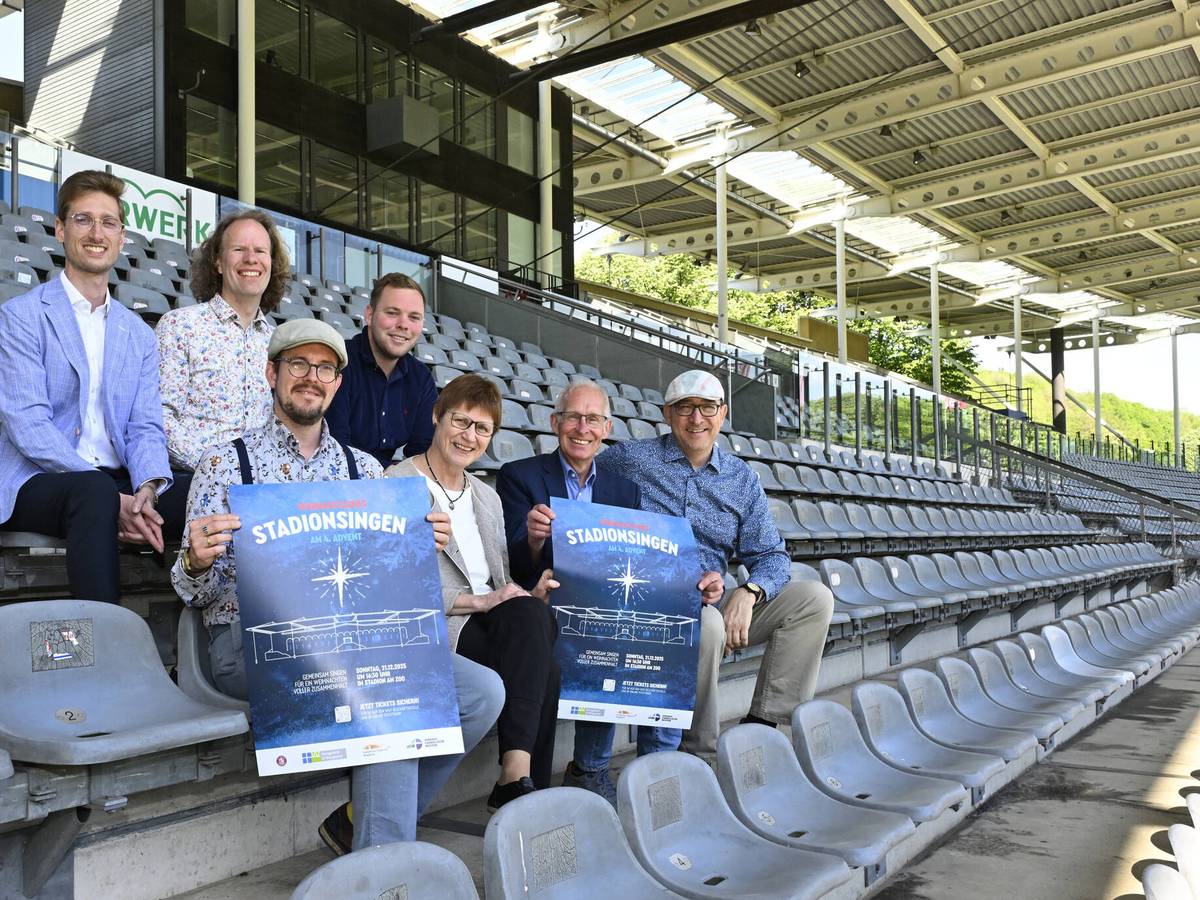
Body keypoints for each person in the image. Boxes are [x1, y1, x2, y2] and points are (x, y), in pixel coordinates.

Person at [171, 319, 502, 851]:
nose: (311, 377)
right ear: (271, 373)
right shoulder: (223, 463)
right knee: (388, 691)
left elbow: (391, 582)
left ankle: (361, 824)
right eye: (298, 365)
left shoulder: (363, 470)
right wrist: (193, 561)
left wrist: (421, 548)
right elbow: (194, 595)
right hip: (252, 641)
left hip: (353, 636)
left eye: (324, 368)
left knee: (483, 692)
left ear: (337, 383)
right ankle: (384, 865)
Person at [597, 369, 834, 759]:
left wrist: (750, 590)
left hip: (718, 596)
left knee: (814, 599)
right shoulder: (629, 460)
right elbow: (578, 475)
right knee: (704, 625)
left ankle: (761, 725)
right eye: (685, 408)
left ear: (722, 414)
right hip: (653, 603)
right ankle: (696, 753)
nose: (696, 419)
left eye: (707, 408)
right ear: (667, 414)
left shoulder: (741, 479)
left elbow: (771, 556)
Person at [496, 380, 687, 802]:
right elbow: (508, 562)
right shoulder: (519, 476)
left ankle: (658, 770)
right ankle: (589, 769)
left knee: (662, 628)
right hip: (545, 604)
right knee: (605, 638)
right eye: (573, 417)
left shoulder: (624, 490)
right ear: (555, 422)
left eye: (593, 419)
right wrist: (530, 539)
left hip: (605, 604)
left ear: (607, 427)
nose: (582, 428)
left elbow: (633, 559)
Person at [0, 169, 176, 603]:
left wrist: (146, 494)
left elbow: (145, 428)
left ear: (121, 238)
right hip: (37, 480)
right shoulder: (21, 316)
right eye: (83, 220)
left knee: (207, 490)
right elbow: (27, 426)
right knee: (95, 490)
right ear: (60, 230)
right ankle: (102, 649)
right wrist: (114, 497)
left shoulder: (138, 334)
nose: (97, 233)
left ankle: (216, 645)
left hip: (118, 484)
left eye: (108, 222)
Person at [388, 373, 560, 811]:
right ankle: (521, 786)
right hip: (438, 622)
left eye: (482, 429)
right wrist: (479, 601)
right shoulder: (396, 482)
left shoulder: (487, 496)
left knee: (535, 619)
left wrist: (518, 594)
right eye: (461, 422)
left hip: (492, 620)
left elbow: (499, 577)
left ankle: (517, 780)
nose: (469, 436)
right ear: (436, 417)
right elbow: (388, 586)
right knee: (542, 655)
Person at [156, 208, 286, 471]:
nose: (251, 259)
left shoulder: (278, 343)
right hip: (195, 477)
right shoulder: (180, 326)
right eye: (239, 249)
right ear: (217, 262)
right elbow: (161, 417)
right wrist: (221, 468)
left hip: (264, 486)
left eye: (260, 251)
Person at [326, 272, 436, 467]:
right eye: (392, 313)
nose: (403, 325)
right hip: (336, 481)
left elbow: (423, 453)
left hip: (387, 484)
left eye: (414, 317)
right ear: (369, 314)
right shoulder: (339, 362)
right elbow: (334, 447)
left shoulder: (421, 378)